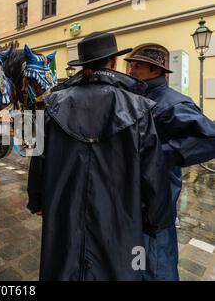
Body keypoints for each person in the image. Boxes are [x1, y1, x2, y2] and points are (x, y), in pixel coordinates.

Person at [27, 32, 173, 281]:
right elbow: (154, 174)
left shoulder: (52, 105)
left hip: (63, 218)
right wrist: (154, 219)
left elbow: (38, 159)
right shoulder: (138, 107)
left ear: (82, 65)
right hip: (120, 223)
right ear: (114, 63)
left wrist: (38, 200)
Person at [125, 47, 215, 281]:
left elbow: (210, 138)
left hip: (157, 199)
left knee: (157, 265)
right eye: (130, 64)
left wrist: (157, 154)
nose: (130, 69)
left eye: (137, 65)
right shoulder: (138, 97)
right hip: (135, 198)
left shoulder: (172, 103)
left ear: (155, 70)